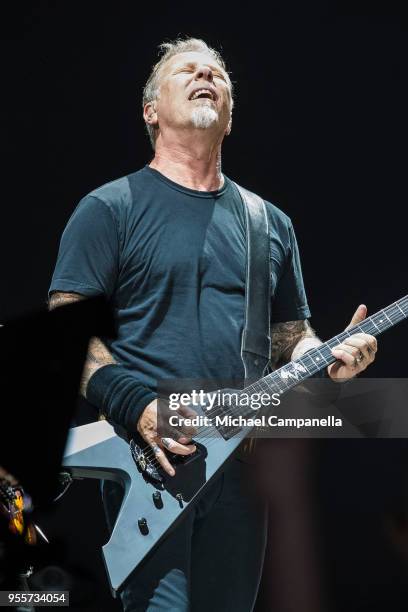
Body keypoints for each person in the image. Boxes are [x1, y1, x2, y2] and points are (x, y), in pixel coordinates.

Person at [48, 37, 377, 612]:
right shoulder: (110, 208)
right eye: (187, 70)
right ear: (151, 111)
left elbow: (288, 338)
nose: (205, 74)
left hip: (241, 464)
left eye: (217, 74)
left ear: (229, 115)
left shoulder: (268, 222)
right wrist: (135, 406)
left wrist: (333, 355)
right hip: (155, 454)